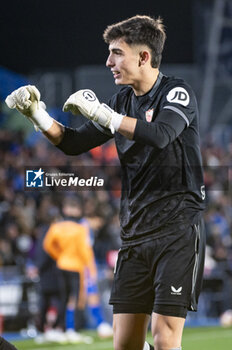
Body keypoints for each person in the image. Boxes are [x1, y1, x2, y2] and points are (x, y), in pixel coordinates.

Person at [5, 15, 206, 350]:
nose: (109, 61)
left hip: (177, 230)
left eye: (116, 53)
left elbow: (161, 135)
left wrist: (104, 116)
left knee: (165, 338)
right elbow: (72, 143)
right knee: (125, 344)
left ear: (143, 57)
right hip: (134, 235)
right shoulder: (121, 103)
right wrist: (37, 114)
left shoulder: (177, 92)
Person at [42, 196, 95, 344]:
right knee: (78, 299)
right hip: (76, 266)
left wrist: (58, 256)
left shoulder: (56, 226)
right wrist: (91, 269)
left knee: (63, 298)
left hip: (61, 264)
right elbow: (85, 251)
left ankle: (62, 329)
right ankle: (74, 330)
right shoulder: (79, 229)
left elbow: (47, 245)